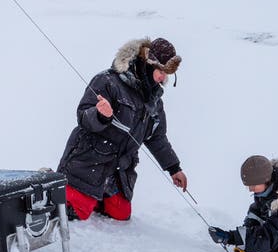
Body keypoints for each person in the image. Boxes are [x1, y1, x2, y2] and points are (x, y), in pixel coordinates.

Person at [57, 37, 187, 221]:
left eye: (167, 74)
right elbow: (83, 117)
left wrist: (174, 168)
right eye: (161, 71)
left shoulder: (155, 101)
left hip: (118, 170)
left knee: (120, 214)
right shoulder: (108, 81)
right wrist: (100, 115)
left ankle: (99, 193)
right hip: (88, 162)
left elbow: (157, 137)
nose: (163, 78)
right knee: (75, 213)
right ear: (149, 64)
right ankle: (55, 183)